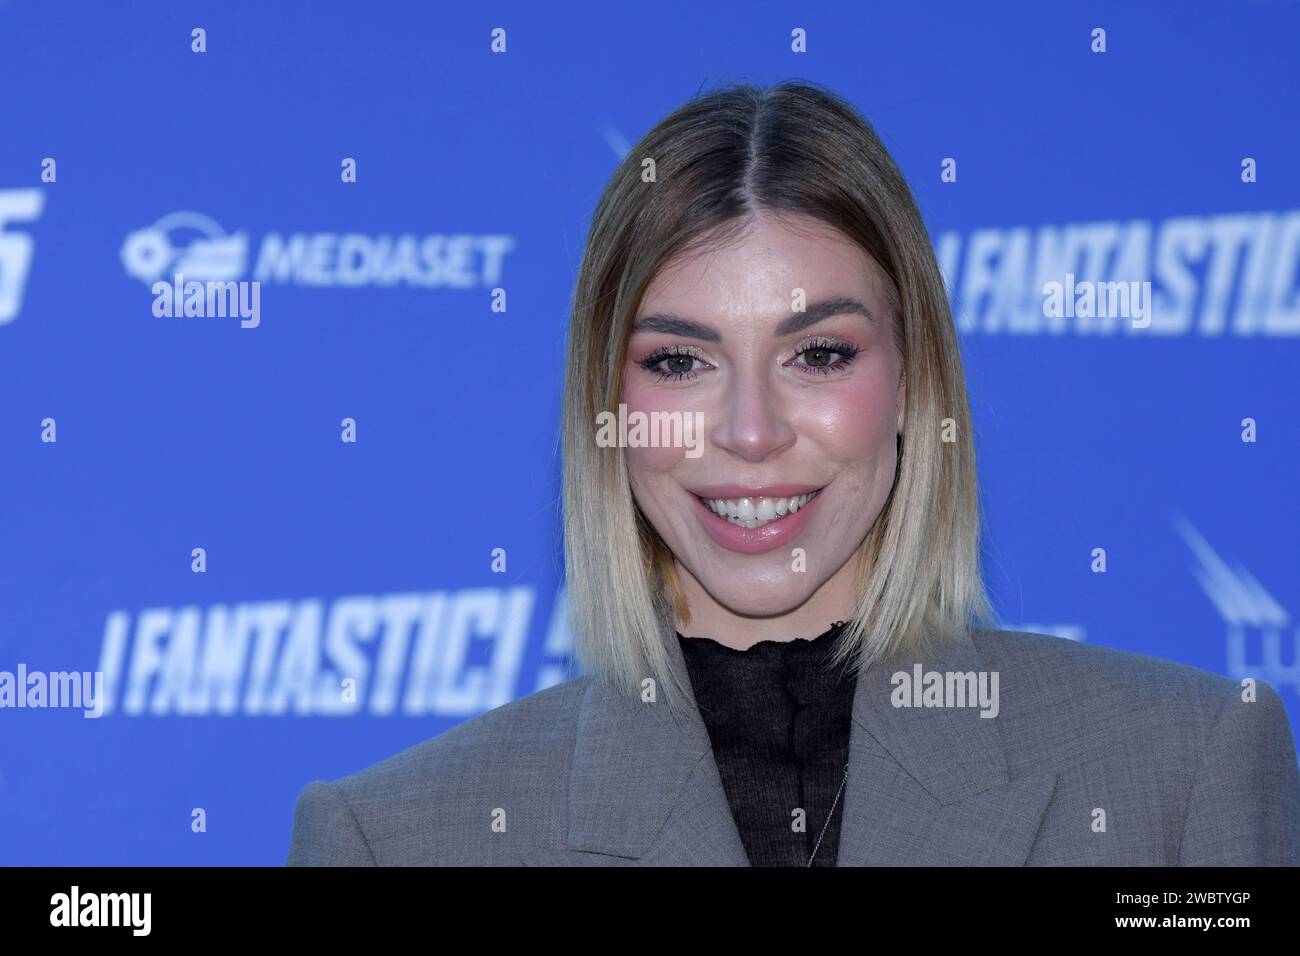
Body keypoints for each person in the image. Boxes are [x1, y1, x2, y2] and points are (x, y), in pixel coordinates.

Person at [286, 80, 1300, 866]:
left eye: (818, 354)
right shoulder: (400, 839)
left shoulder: (1179, 775)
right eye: (678, 361)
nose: (751, 431)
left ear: (911, 380)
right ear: (607, 404)